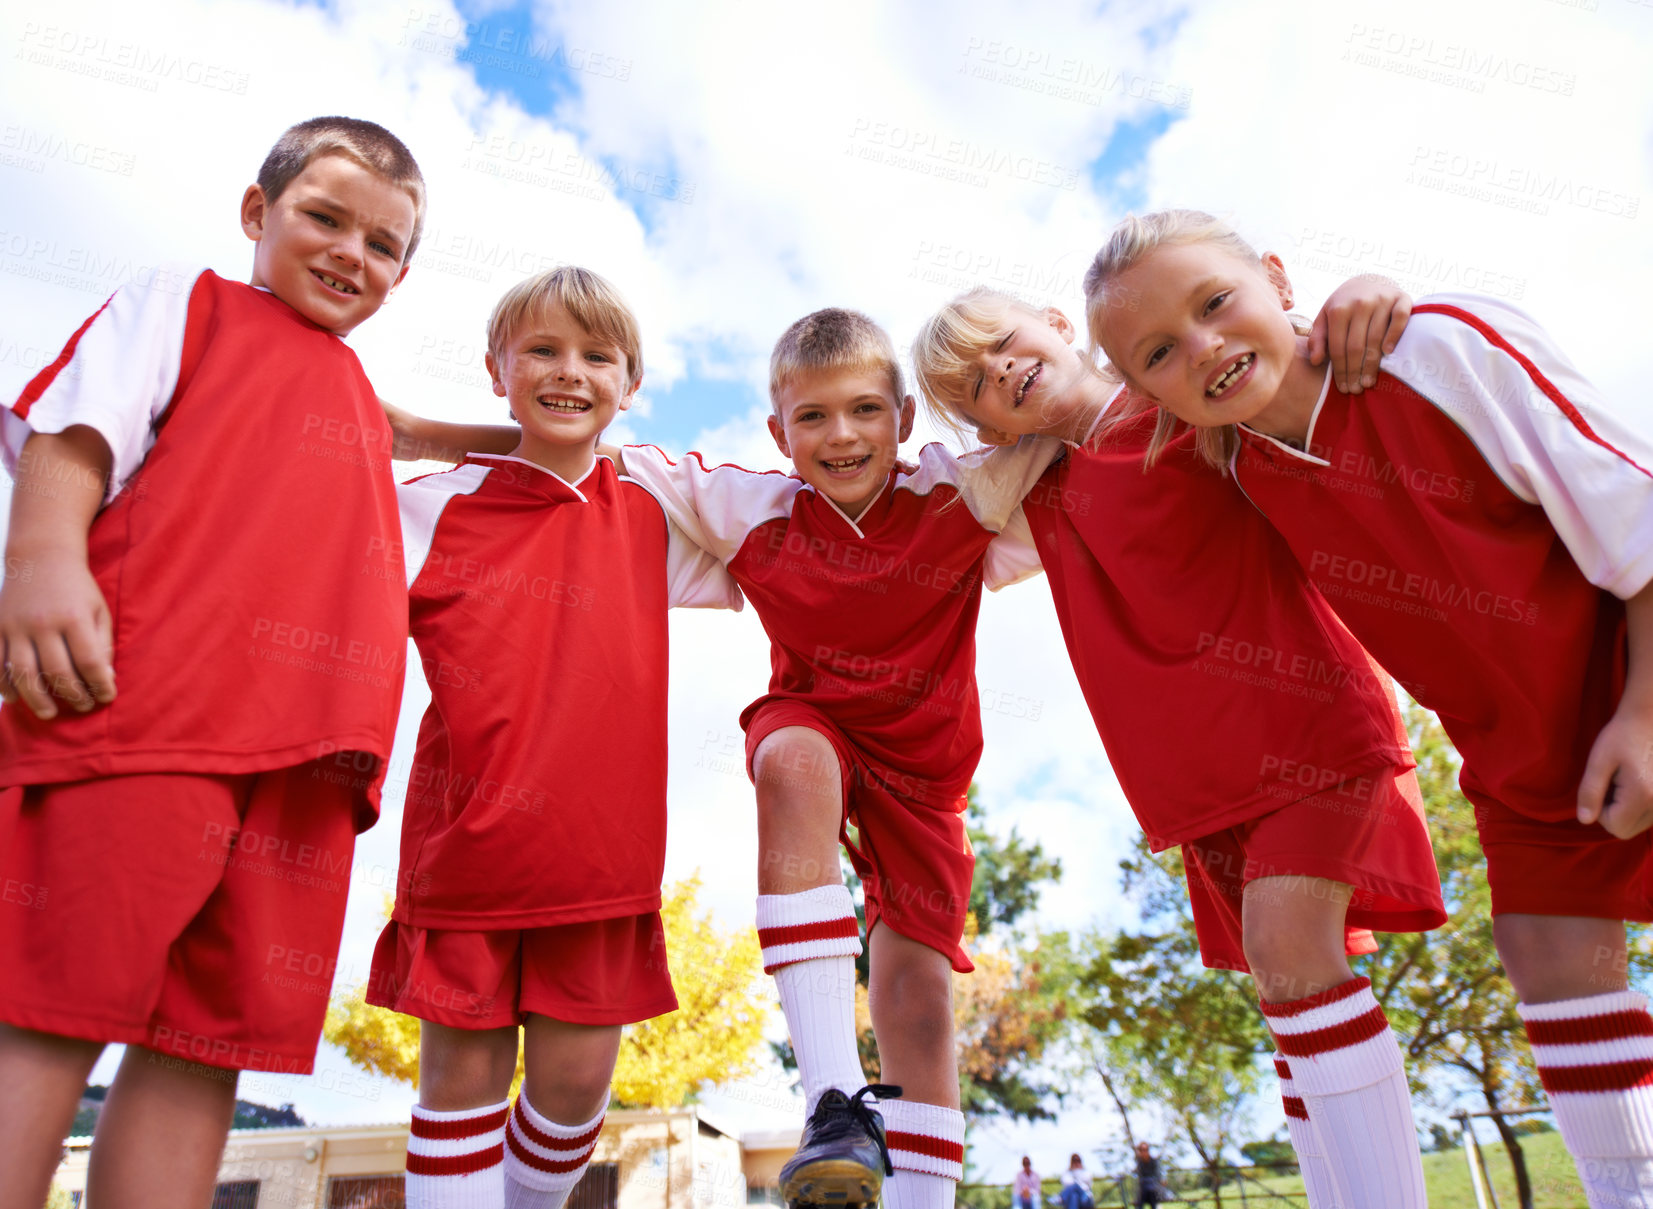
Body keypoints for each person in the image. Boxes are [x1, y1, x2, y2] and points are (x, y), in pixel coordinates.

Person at [1085, 207, 1653, 1209]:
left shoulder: (1432, 348)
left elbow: (1639, 515)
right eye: (1162, 351)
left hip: (1631, 696)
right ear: (1145, 393)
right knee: (1553, 969)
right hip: (1526, 767)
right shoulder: (1243, 471)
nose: (1206, 347)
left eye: (1218, 303)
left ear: (1277, 275)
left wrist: (1645, 713)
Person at [910, 280, 1442, 1208]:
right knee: (1285, 996)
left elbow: (1279, 358)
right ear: (986, 428)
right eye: (975, 385)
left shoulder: (1181, 407)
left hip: (1311, 732)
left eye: (1002, 340)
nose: (999, 368)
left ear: (1056, 320)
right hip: (1199, 784)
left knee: (1291, 952)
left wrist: (1350, 296)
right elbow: (909, 517)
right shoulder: (1034, 491)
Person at [0, 116, 424, 1209]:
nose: (350, 255)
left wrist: (528, 436)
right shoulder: (186, 303)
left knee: (207, 1041)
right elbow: (70, 426)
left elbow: (406, 425)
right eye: (322, 219)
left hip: (310, 766)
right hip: (146, 711)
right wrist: (43, 554)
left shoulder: (353, 398)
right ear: (255, 212)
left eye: (383, 246)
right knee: (47, 1004)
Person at [611, 309, 1059, 1209]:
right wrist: (426, 433)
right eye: (811, 416)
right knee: (791, 764)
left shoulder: (961, 491)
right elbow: (585, 447)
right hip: (813, 723)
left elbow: (1072, 427)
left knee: (919, 1003)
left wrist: (1052, 349)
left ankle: (919, 1197)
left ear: (902, 417)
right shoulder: (752, 508)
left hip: (925, 774)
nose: (840, 434)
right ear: (779, 433)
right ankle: (831, 1101)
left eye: (863, 410)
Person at [366, 267, 741, 1207]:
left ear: (629, 381)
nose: (568, 372)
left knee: (575, 1091)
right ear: (497, 370)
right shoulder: (431, 507)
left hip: (599, 865)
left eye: (595, 356)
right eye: (540, 350)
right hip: (468, 859)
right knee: (460, 1090)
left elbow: (800, 528)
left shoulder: (656, 507)